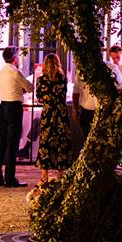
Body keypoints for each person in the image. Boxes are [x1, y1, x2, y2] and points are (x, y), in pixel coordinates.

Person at [0, 48, 33, 187]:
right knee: (13, 142)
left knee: (2, 140)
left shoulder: (1, 72)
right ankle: (10, 178)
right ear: (15, 58)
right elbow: (30, 87)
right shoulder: (16, 72)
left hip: (3, 105)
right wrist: (22, 89)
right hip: (14, 106)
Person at [34, 53, 76, 184]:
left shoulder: (41, 80)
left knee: (46, 142)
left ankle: (44, 175)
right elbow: (64, 95)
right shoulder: (63, 78)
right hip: (61, 113)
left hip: (48, 113)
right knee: (61, 142)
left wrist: (47, 100)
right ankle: (60, 174)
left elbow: (39, 97)